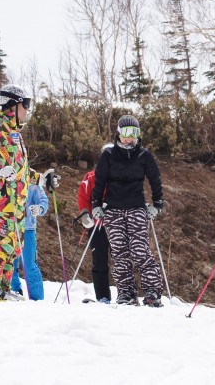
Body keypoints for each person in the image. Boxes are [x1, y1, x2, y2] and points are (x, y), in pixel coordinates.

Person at [0, 84, 56, 302]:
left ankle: (0, 288)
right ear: (12, 105)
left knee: (12, 247)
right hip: (1, 199)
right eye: (25, 105)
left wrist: (41, 178)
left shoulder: (14, 132)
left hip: (16, 201)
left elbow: (19, 171)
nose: (27, 110)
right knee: (2, 245)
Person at [91, 115, 164, 307]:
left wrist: (157, 204)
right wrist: (96, 204)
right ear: (118, 133)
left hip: (136, 208)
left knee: (140, 250)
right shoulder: (108, 155)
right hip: (113, 210)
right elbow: (99, 181)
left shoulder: (144, 155)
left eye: (134, 133)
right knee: (119, 253)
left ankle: (152, 291)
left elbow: (155, 180)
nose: (129, 138)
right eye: (125, 133)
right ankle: (126, 293)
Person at [77, 143, 113, 304]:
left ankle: (127, 294)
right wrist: (85, 214)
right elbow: (83, 197)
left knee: (122, 260)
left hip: (118, 223)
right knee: (99, 261)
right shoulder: (91, 176)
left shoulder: (124, 176)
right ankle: (103, 296)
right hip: (97, 225)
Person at [10, 180, 48, 301]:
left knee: (29, 264)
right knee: (9, 262)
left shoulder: (32, 180)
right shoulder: (7, 173)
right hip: (8, 228)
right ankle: (13, 289)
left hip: (27, 229)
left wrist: (40, 208)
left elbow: (43, 200)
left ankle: (37, 298)